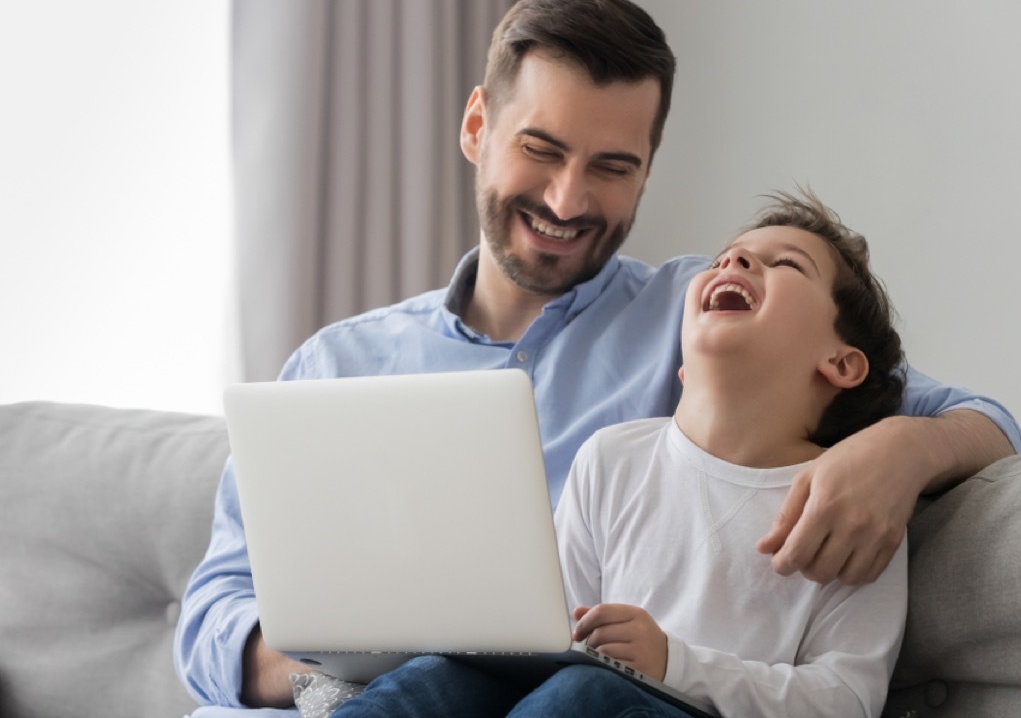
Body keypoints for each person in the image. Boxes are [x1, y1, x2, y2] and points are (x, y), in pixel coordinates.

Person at [174, 0, 1021, 715]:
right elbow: (214, 610)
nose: (567, 197)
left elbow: (980, 424)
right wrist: (342, 671)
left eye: (612, 167)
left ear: (647, 173)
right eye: (540, 149)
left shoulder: (707, 318)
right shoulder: (334, 367)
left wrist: (901, 450)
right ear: (478, 127)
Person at [325, 190, 910, 718]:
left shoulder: (855, 503)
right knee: (436, 679)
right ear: (684, 360)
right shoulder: (612, 458)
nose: (735, 262)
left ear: (841, 363)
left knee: (588, 695)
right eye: (726, 257)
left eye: (786, 265)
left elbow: (847, 700)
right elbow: (553, 638)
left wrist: (673, 665)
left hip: (661, 706)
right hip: (578, 691)